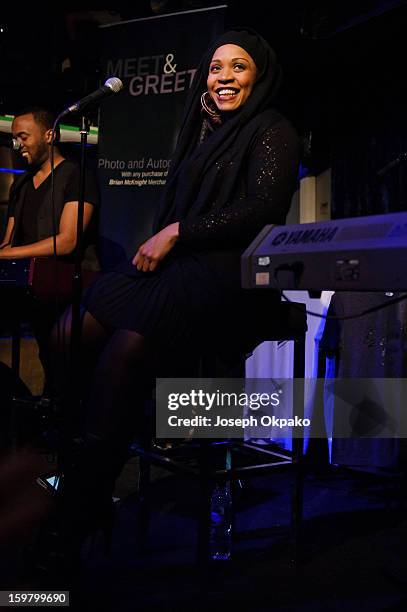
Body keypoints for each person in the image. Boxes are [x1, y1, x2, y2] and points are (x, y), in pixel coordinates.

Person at [37, 28, 300, 572]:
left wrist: (179, 231)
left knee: (126, 350)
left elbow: (262, 209)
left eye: (239, 67)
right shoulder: (199, 130)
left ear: (260, 75)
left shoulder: (273, 128)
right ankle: (91, 455)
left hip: (230, 274)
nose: (225, 77)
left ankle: (80, 509)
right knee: (68, 331)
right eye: (216, 67)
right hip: (181, 268)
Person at [0, 107, 100, 397]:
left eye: (23, 137)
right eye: (14, 139)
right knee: (46, 355)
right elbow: (8, 241)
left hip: (72, 290)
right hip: (33, 289)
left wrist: (8, 254)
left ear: (49, 135)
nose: (17, 145)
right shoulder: (20, 183)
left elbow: (67, 241)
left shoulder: (76, 176)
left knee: (68, 360)